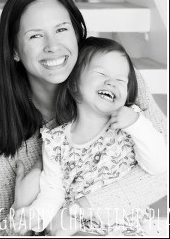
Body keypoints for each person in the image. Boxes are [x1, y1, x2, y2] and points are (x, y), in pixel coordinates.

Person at [0, 0, 168, 236]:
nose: (52, 46)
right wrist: (21, 207)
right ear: (14, 50)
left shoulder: (116, 81)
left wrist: (78, 211)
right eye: (35, 35)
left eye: (62, 29)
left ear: (77, 33)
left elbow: (163, 171)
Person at [13, 37, 168, 236]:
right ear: (74, 84)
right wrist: (34, 215)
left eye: (121, 80)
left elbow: (159, 166)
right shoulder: (56, 141)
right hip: (75, 229)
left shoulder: (131, 125)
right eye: (101, 73)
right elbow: (52, 192)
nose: (111, 82)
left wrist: (136, 124)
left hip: (124, 230)